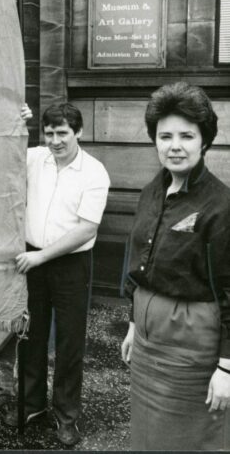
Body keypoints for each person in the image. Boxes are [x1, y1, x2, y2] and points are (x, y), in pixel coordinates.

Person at [120, 82, 230, 450]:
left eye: (186, 135)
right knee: (148, 436)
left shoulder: (221, 205)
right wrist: (134, 324)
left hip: (192, 348)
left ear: (204, 141)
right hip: (148, 343)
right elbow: (137, 259)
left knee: (191, 439)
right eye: (165, 136)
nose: (175, 145)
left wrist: (227, 368)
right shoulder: (152, 189)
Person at [3, 102, 110, 446]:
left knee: (69, 342)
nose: (55, 140)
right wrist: (17, 122)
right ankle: (32, 404)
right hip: (31, 258)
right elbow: (5, 150)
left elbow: (85, 230)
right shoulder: (35, 158)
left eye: (62, 132)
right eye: (49, 133)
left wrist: (41, 258)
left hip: (70, 265)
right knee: (30, 335)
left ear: (78, 132)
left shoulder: (94, 172)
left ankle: (66, 416)